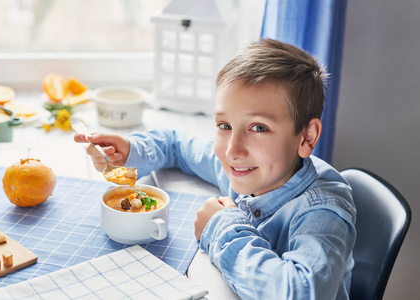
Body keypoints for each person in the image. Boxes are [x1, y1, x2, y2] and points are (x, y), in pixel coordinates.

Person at [74, 38, 356, 300]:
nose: (232, 150)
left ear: (306, 137)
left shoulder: (322, 211)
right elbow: (177, 144)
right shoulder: (248, 168)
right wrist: (131, 151)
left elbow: (299, 292)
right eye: (225, 126)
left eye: (259, 128)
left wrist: (220, 226)